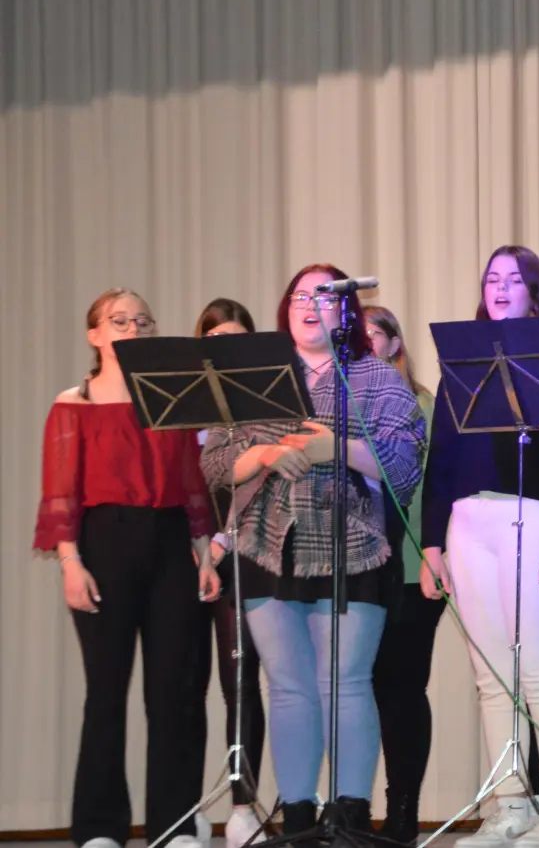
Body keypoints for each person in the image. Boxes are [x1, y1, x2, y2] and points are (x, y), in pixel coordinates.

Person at [200, 265, 425, 839]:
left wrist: (337, 448)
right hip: (267, 544)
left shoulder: (376, 377)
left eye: (323, 295)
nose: (310, 304)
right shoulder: (255, 377)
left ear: (344, 310)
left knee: (346, 682)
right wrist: (267, 455)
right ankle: (297, 816)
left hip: (356, 545)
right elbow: (218, 463)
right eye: (300, 294)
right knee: (289, 685)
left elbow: (403, 466)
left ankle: (348, 816)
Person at [36, 289, 220, 848]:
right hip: (104, 544)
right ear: (95, 335)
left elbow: (192, 481)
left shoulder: (171, 399)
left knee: (174, 693)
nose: (134, 329)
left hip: (170, 544)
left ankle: (175, 825)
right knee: (106, 692)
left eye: (143, 321)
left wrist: (205, 550)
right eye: (120, 322)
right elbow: (61, 491)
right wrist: (71, 562)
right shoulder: (77, 401)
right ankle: (99, 828)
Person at [423, 246, 539, 847]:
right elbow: (439, 460)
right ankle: (510, 806)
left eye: (513, 279)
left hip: (538, 519)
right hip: (469, 524)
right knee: (492, 678)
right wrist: (431, 546)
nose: (499, 287)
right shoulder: (462, 364)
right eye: (491, 277)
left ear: (534, 292)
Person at [364, 305, 448, 845]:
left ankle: (403, 813)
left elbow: (437, 489)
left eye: (373, 338)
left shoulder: (420, 404)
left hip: (412, 566)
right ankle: (361, 808)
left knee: (402, 687)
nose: (364, 349)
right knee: (368, 688)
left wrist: (430, 559)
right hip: (361, 567)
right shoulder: (341, 408)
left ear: (395, 345)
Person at [192, 297, 268, 848]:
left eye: (238, 341)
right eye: (217, 342)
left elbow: (253, 486)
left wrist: (217, 547)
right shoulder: (180, 407)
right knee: (175, 688)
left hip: (233, 555)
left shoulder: (262, 405)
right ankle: (184, 804)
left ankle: (243, 806)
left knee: (237, 685)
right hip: (179, 556)